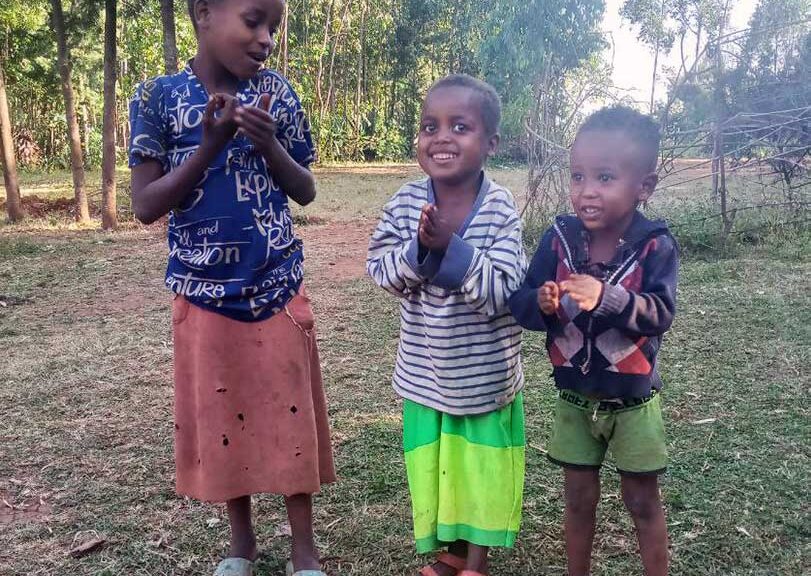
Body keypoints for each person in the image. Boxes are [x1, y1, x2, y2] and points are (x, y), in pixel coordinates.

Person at [128, 1, 335, 574]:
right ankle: (241, 544)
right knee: (226, 417)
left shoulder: (279, 95)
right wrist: (211, 144)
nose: (266, 37)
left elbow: (307, 189)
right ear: (202, 13)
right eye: (253, 20)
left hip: (276, 286)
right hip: (203, 292)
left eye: (274, 27)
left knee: (289, 414)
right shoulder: (156, 98)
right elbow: (146, 205)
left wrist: (268, 143)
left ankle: (303, 548)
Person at [367, 74, 527, 576]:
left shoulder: (500, 210)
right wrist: (420, 250)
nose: (441, 137)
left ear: (491, 144)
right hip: (425, 374)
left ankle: (475, 562)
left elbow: (503, 288)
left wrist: (452, 251)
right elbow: (382, 271)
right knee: (438, 471)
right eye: (429, 126)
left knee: (479, 471)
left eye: (460, 126)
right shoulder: (403, 203)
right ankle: (448, 554)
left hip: (483, 378)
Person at [509, 105, 678, 576]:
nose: (587, 191)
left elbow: (660, 314)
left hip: (632, 403)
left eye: (605, 178)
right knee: (578, 499)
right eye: (578, 176)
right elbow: (523, 303)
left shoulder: (655, 245)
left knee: (642, 501)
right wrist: (541, 304)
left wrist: (607, 297)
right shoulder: (559, 238)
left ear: (644, 186)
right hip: (574, 399)